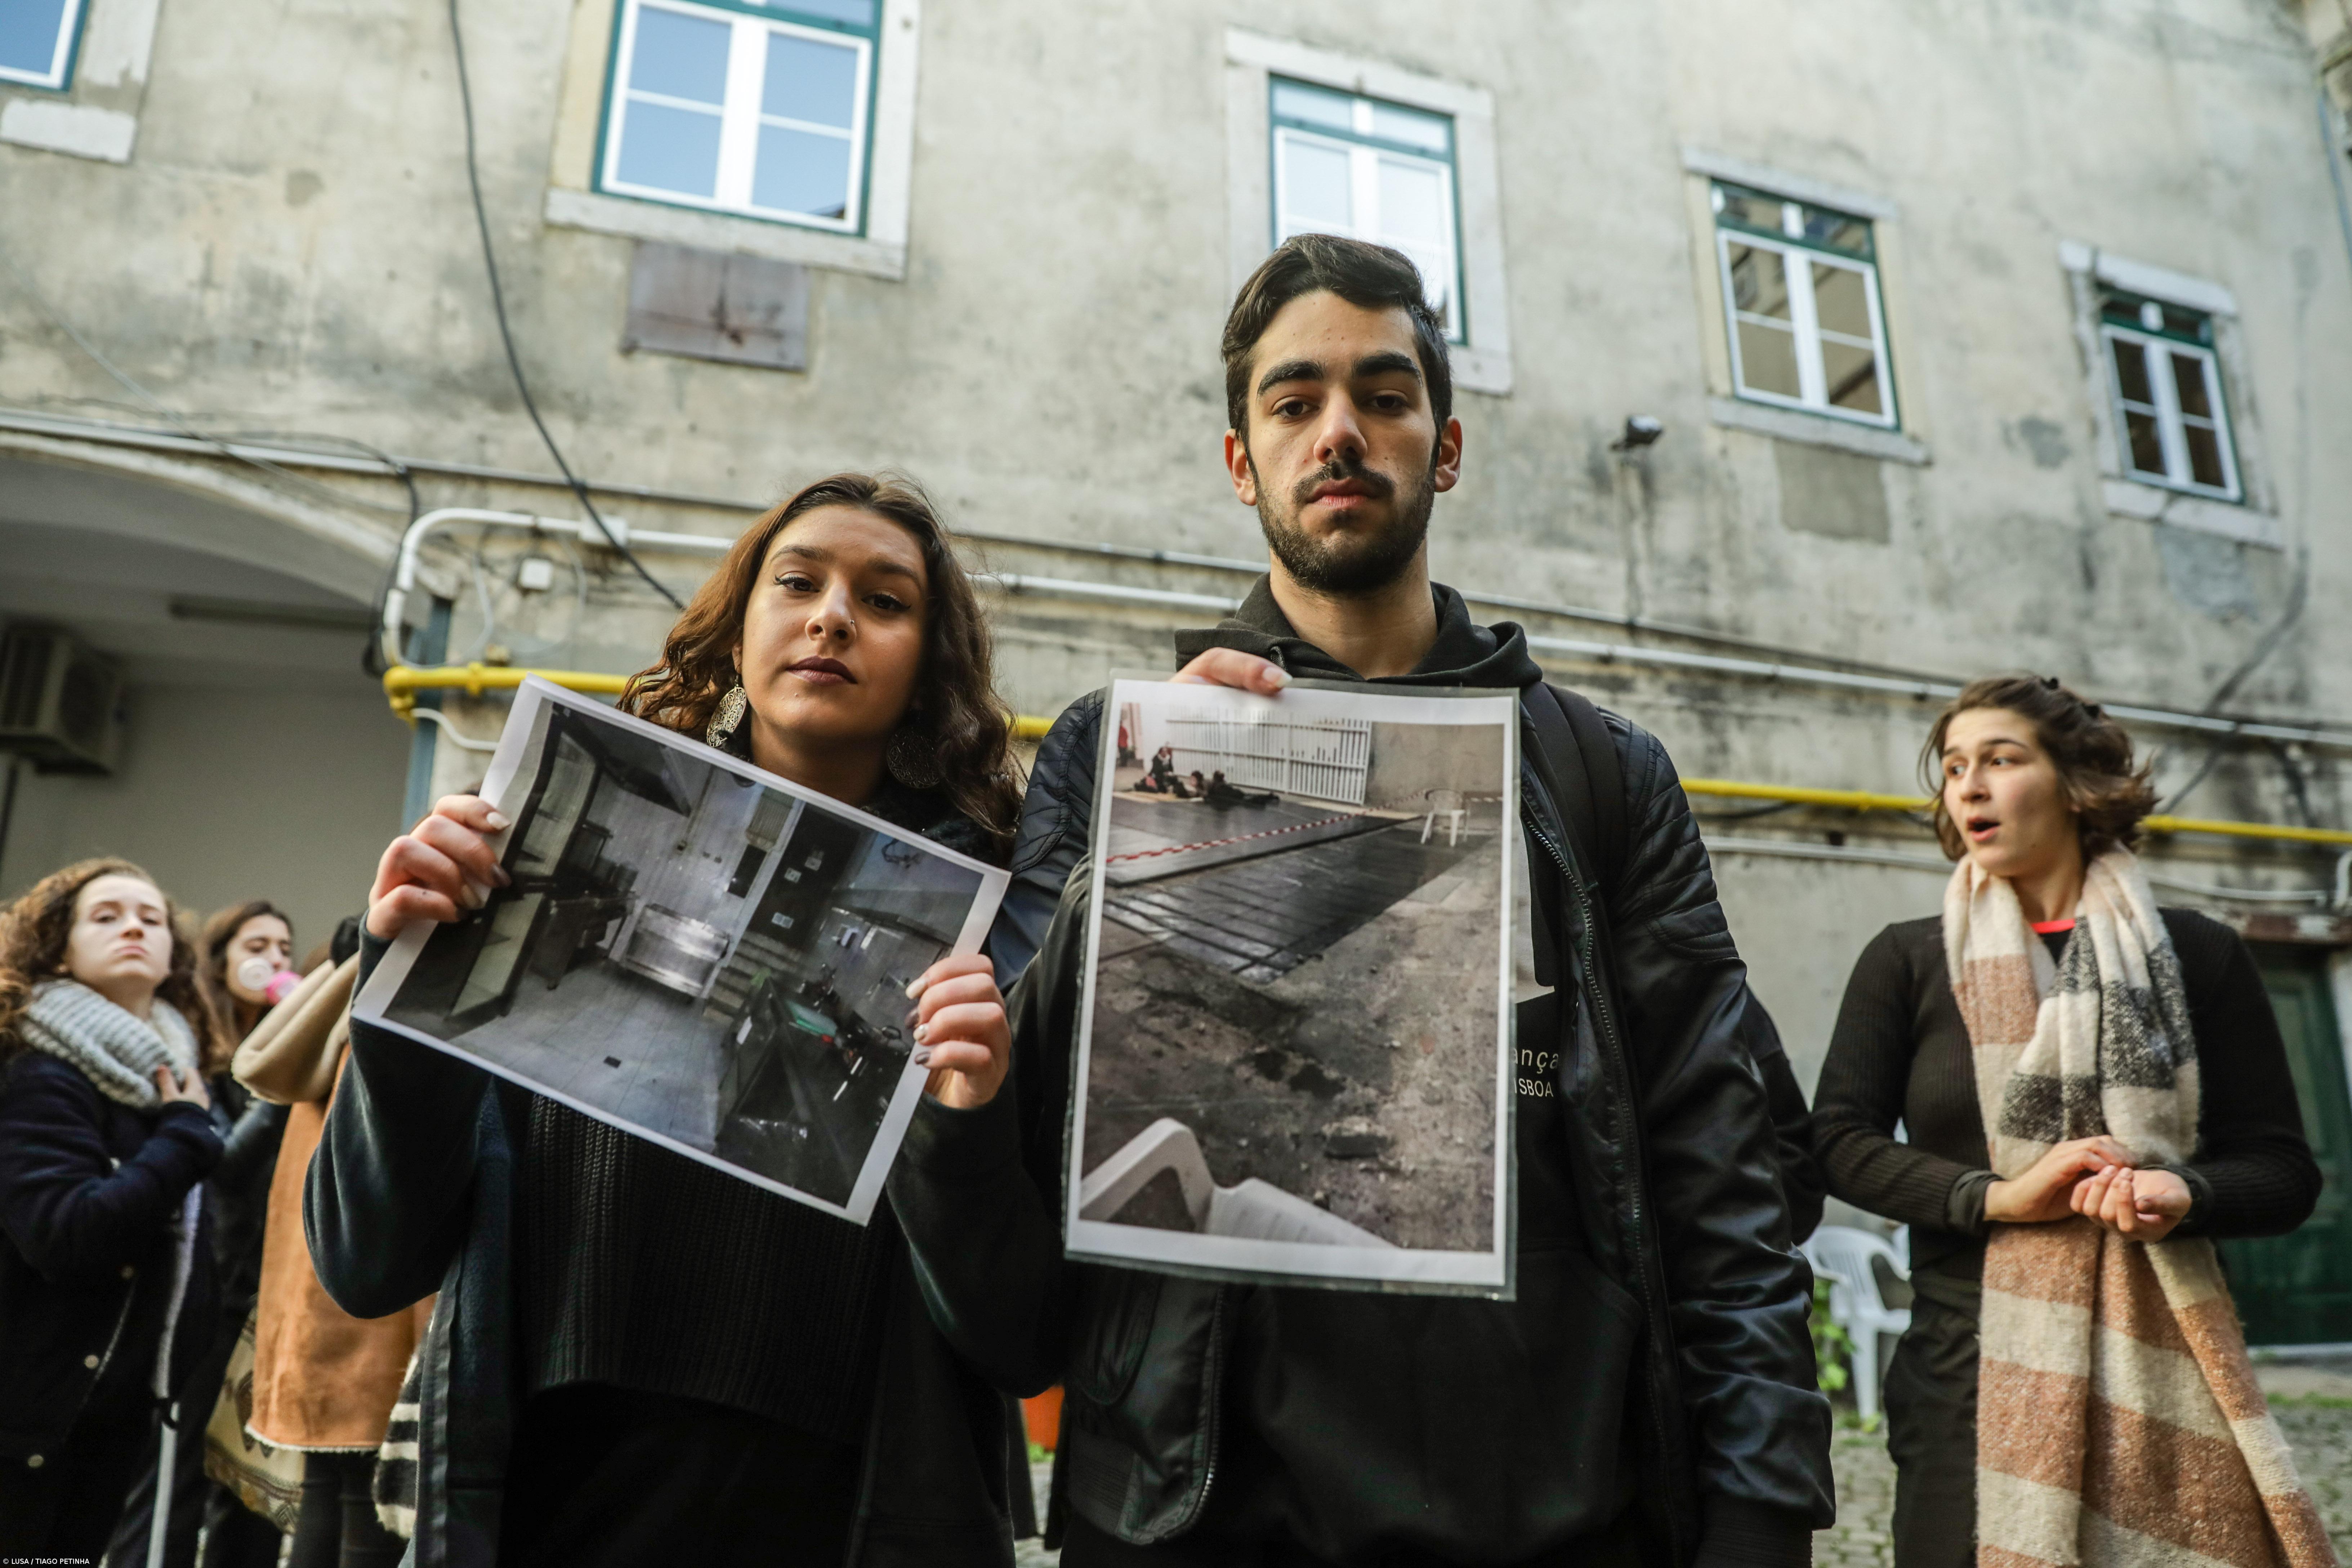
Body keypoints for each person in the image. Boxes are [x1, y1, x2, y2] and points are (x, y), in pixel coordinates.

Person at [892, 234, 1831, 1568]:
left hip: (1558, 1513)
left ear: (1444, 447)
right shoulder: (1113, 755)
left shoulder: (1602, 772)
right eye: (1295, 402)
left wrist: (1760, 1511)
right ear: (1243, 463)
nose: (1342, 431)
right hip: (1196, 1511)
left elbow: (1724, 1167)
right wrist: (1163, 839)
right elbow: (1020, 1254)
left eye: (1385, 397)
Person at [306, 473, 1030, 1568]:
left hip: (844, 1515)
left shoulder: (1000, 939)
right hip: (549, 1500)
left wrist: (965, 1125)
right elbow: (367, 1264)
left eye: (885, 601)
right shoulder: (516, 854)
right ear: (739, 628)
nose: (832, 614)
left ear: (930, 665)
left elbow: (1019, 1334)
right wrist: (401, 987)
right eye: (797, 582)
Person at [1810, 675, 2329, 1568]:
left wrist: (2183, 1190)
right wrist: (1997, 1196)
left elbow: (2283, 1169)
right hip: (1963, 1369)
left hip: (2158, 1358)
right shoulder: (1907, 959)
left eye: (2001, 760)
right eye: (1955, 766)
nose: (1967, 785)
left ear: (2076, 783)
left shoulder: (2197, 953)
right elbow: (1835, 1141)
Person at [0, 860, 224, 1563]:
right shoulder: (41, 1070)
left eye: (151, 917)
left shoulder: (174, 1070)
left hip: (108, 1413)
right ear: (59, 949)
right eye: (106, 916)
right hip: (26, 1415)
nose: (134, 925)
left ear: (170, 956)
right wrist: (187, 1134)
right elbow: (65, 1232)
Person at [107, 902, 302, 1568]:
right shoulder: (200, 1056)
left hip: (262, 1300)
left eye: (285, 947)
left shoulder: (278, 1050)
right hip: (204, 1294)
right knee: (174, 1480)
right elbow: (219, 1165)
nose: (277, 959)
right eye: (259, 945)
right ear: (221, 962)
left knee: (247, 1489)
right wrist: (288, 1079)